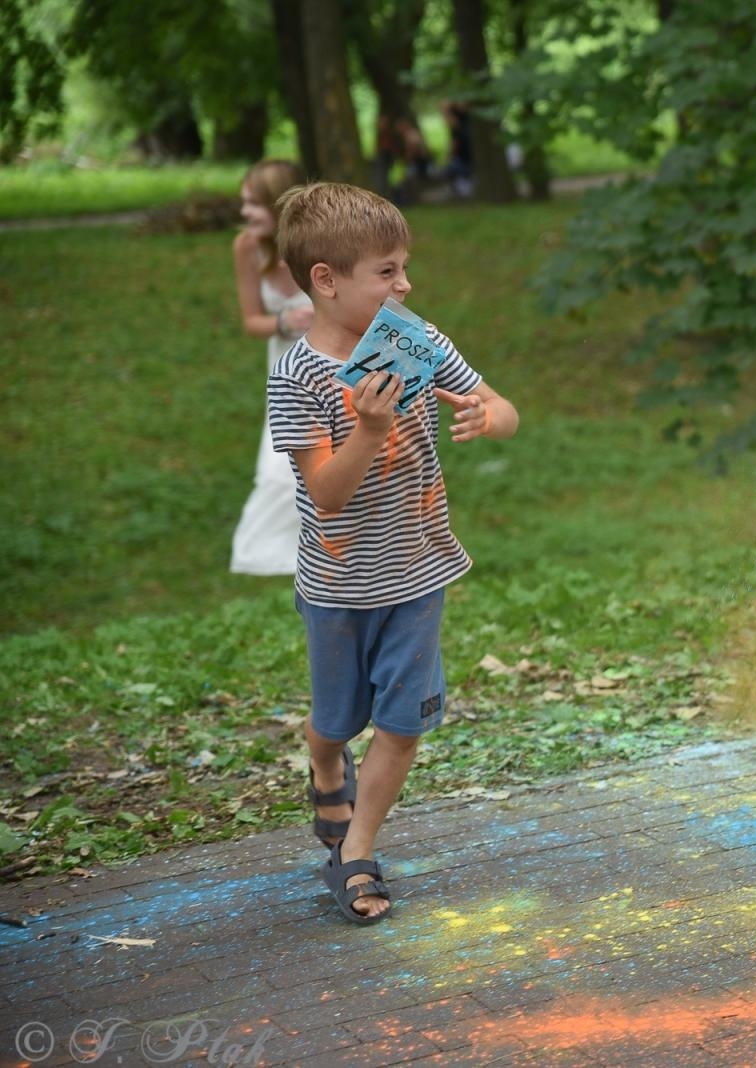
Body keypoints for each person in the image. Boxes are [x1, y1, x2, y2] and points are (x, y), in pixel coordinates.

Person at [269, 182, 520, 923]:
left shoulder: (416, 340)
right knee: (337, 722)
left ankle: (356, 851)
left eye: (404, 267)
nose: (405, 284)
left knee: (403, 723)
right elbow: (327, 494)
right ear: (326, 279)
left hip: (417, 570)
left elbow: (503, 406)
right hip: (339, 586)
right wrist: (370, 430)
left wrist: (487, 416)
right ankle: (324, 761)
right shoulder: (296, 376)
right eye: (387, 271)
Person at [229, 159, 313, 575]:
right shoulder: (247, 247)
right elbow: (251, 322)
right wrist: (284, 321)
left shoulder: (321, 241)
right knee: (283, 466)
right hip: (286, 365)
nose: (245, 212)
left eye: (253, 203)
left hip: (333, 359)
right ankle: (286, 554)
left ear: (278, 203)